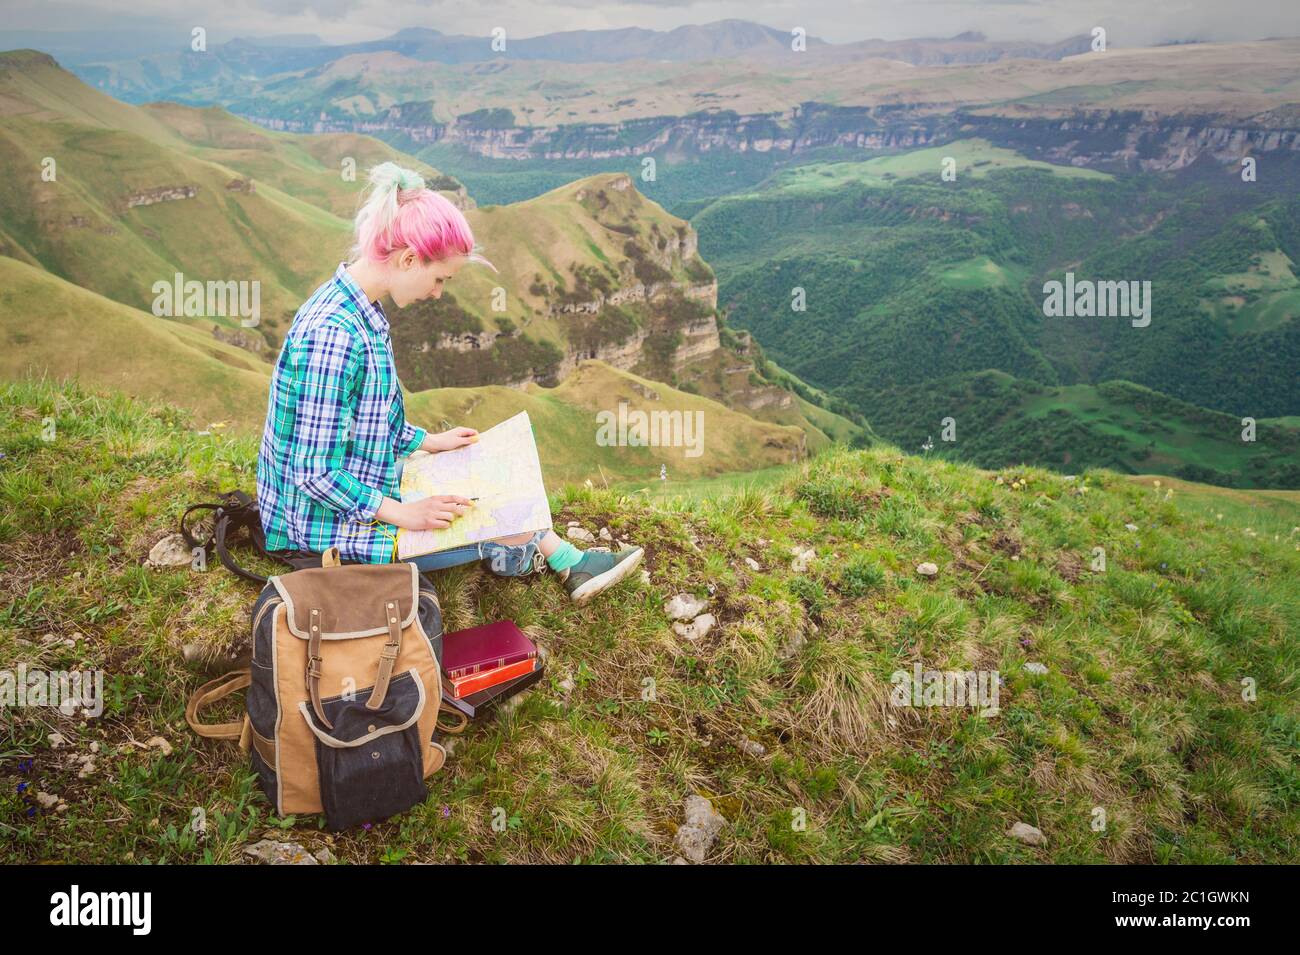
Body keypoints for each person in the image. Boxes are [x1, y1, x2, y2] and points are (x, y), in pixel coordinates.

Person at [255, 161, 643, 605]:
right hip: (315, 533)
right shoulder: (335, 336)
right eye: (439, 278)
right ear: (407, 259)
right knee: (497, 521)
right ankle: (541, 557)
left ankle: (565, 560)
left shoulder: (358, 310)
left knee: (484, 478)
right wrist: (406, 514)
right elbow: (315, 473)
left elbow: (365, 422)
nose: (438, 292)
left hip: (347, 493)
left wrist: (429, 441)